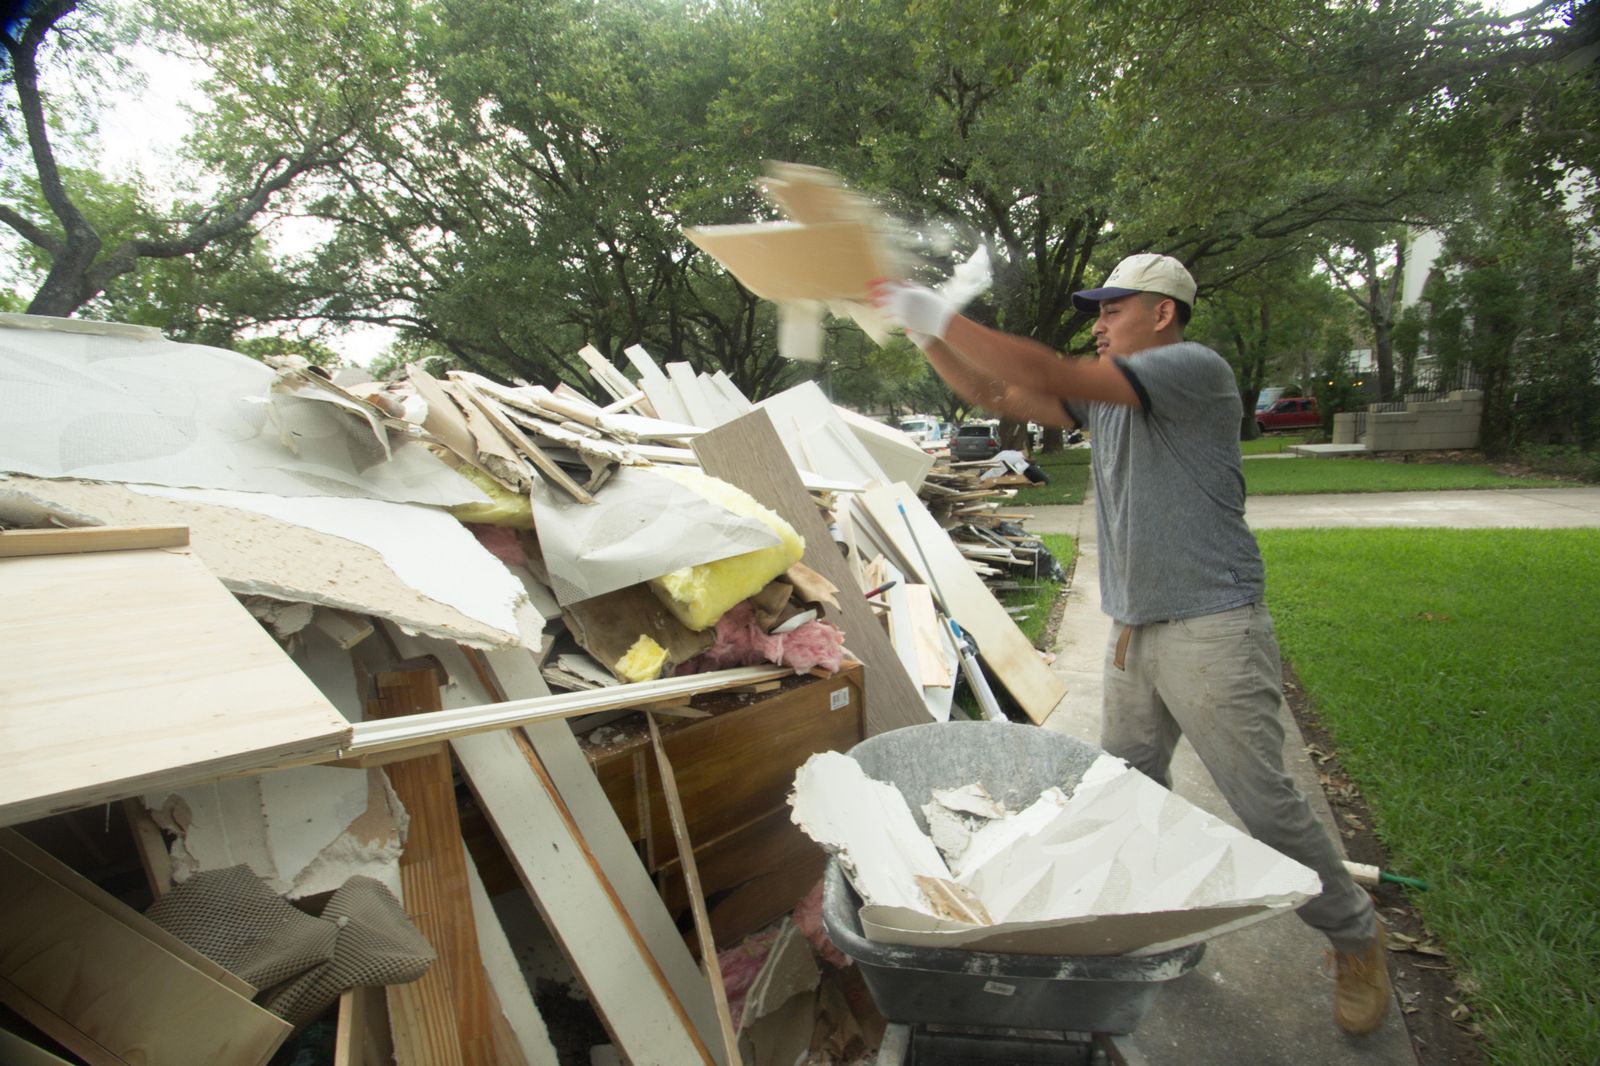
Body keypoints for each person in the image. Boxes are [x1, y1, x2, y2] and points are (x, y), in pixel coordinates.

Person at [869, 253, 1392, 1036]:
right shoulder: (1108, 401)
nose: (1100, 321)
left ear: (1163, 313)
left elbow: (1043, 365)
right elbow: (998, 391)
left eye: (1115, 308)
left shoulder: (1192, 369)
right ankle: (1157, 933)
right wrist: (922, 333)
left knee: (1267, 809)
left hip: (1211, 626)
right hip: (1133, 629)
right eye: (1098, 310)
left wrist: (938, 310)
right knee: (1130, 791)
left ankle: (1355, 937)